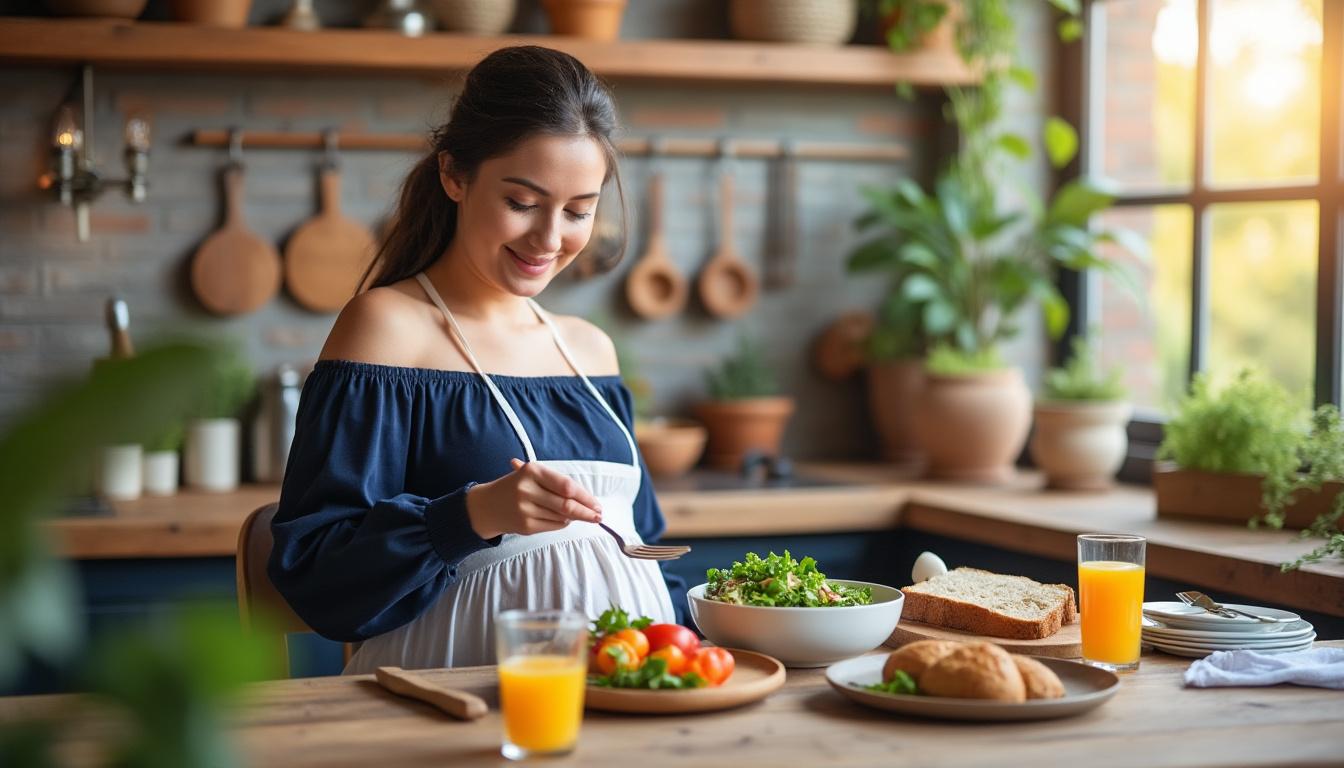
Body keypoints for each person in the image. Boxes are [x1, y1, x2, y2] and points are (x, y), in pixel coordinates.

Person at [268, 45, 683, 672]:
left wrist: (687, 661)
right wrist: (471, 515)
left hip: (626, 704)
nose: (549, 239)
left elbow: (645, 554)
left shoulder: (589, 348)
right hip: (449, 705)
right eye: (522, 203)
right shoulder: (386, 329)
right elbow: (317, 575)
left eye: (578, 211)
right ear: (454, 176)